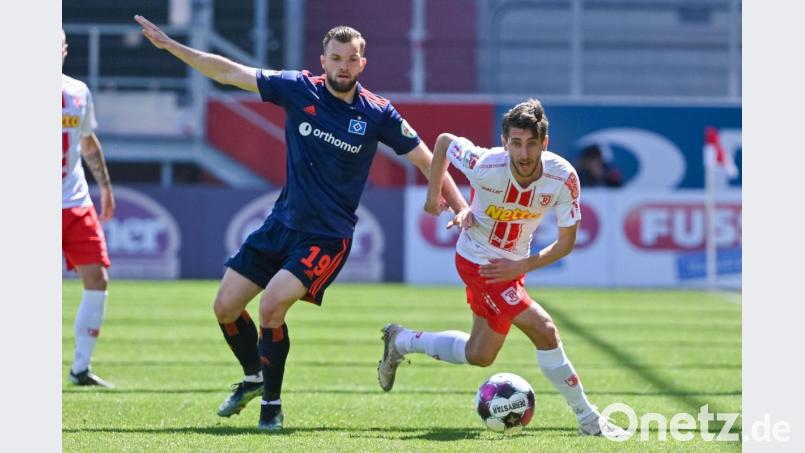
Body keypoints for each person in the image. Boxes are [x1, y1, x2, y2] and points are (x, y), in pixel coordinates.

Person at [134, 16, 466, 431]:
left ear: (363, 64)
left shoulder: (378, 113)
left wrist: (459, 204)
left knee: (271, 307)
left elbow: (425, 157)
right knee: (225, 308)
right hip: (281, 223)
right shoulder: (298, 88)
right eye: (336, 58)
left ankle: (271, 405)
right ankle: (255, 377)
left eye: (352, 59)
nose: (343, 65)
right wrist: (174, 48)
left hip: (327, 237)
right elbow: (230, 72)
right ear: (322, 60)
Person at [377, 99, 626, 437]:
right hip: (479, 262)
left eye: (532, 144)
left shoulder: (563, 177)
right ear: (504, 141)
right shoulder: (485, 163)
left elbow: (565, 243)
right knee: (545, 330)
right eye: (516, 143)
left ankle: (402, 341)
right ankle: (589, 419)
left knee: (480, 354)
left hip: (511, 266)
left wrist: (520, 266)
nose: (524, 154)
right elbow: (445, 142)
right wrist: (435, 196)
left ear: (545, 143)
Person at [62, 30, 116, 388]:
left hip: (75, 202)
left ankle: (81, 368)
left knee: (97, 279)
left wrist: (105, 188)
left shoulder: (78, 91)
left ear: (64, 48)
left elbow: (87, 139)